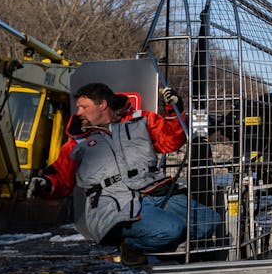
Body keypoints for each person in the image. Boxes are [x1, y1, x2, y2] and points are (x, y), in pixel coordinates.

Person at [28, 81, 219, 261]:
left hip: (156, 191)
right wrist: (44, 184)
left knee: (210, 221)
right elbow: (60, 177)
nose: (78, 113)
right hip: (114, 204)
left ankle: (159, 246)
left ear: (102, 104)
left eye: (83, 107)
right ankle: (131, 246)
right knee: (172, 229)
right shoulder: (76, 144)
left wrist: (173, 110)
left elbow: (171, 141)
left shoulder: (142, 121)